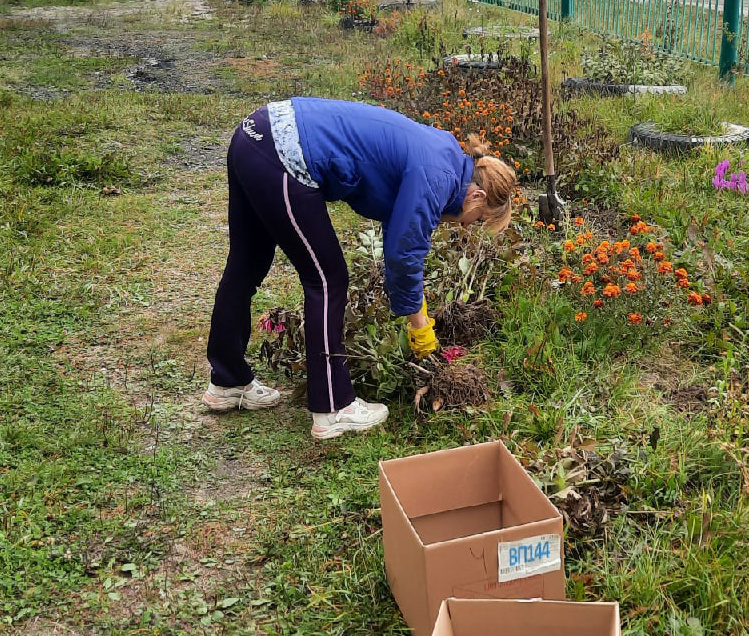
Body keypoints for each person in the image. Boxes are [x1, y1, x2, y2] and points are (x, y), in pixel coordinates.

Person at [202, 98, 516, 439]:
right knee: (327, 279)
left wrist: (415, 301)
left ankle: (227, 381)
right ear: (477, 199)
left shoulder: (444, 155)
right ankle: (332, 408)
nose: (468, 226)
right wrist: (419, 326)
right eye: (477, 221)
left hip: (255, 135)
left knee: (246, 265)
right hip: (285, 156)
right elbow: (404, 255)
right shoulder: (438, 176)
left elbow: (401, 231)